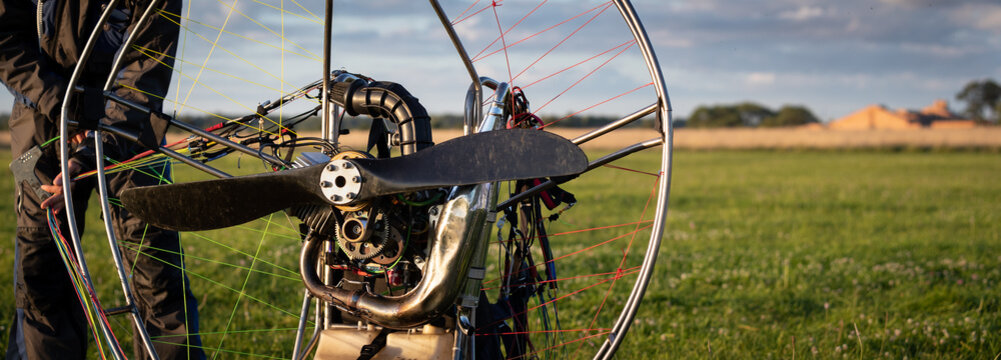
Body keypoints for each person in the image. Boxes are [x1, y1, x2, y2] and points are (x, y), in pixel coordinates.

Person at [1, 0, 204, 359]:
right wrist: (65, 104)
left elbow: (148, 66)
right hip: (40, 124)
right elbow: (5, 37)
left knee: (156, 269)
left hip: (131, 125)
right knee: (41, 271)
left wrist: (93, 145)